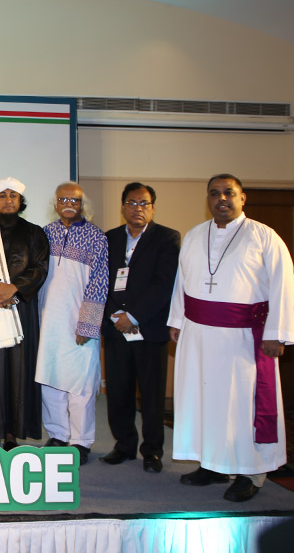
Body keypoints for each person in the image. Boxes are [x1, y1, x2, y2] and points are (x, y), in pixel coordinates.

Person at [168, 174, 294, 502]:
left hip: (243, 340)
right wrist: (177, 320)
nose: (221, 199)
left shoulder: (264, 237)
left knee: (241, 406)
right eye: (214, 193)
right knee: (206, 402)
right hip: (199, 336)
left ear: (243, 198)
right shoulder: (196, 235)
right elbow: (183, 281)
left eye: (229, 193)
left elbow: (283, 286)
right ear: (207, 199)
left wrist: (277, 334)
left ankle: (251, 472)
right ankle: (212, 464)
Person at [100, 183, 180, 473]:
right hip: (115, 329)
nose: (138, 209)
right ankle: (123, 446)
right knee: (118, 390)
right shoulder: (109, 239)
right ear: (122, 207)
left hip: (149, 329)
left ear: (153, 208)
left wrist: (132, 316)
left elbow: (163, 285)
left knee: (151, 394)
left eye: (144, 204)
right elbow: (101, 281)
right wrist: (114, 315)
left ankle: (152, 450)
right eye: (132, 203)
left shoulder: (167, 238)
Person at [0, 177, 49, 450]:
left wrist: (14, 288)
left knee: (18, 368)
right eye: (2, 196)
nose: (8, 200)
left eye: (13, 195)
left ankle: (14, 433)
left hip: (21, 310)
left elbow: (40, 268)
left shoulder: (35, 233)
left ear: (20, 201)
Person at [35, 182, 108, 465]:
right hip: (48, 320)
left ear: (82, 205)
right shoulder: (46, 233)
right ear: (55, 204)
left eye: (74, 200)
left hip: (79, 323)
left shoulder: (96, 237)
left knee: (81, 384)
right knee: (50, 378)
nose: (68, 204)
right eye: (63, 199)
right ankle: (57, 434)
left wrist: (87, 325)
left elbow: (99, 283)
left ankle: (80, 440)